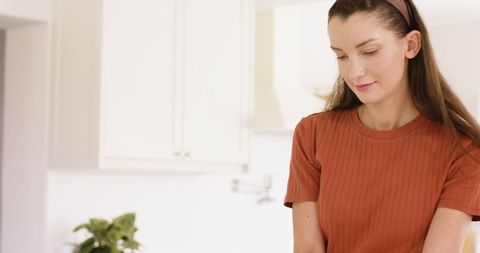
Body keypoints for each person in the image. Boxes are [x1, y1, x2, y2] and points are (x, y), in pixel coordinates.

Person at [283, 0, 480, 252]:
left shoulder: (463, 151)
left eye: (369, 51)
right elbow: (307, 246)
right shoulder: (312, 134)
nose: (354, 72)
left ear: (410, 45)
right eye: (341, 56)